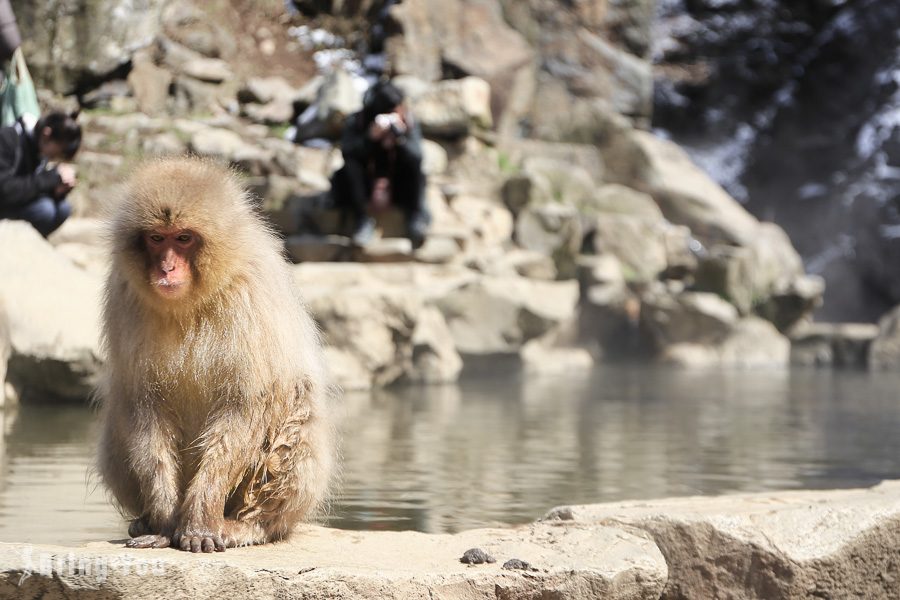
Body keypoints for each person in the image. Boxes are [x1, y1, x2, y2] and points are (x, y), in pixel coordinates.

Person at [331, 79, 430, 248]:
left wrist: (400, 140)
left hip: (398, 185)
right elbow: (347, 152)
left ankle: (416, 219)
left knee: (417, 170)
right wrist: (370, 138)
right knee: (349, 168)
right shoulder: (358, 120)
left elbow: (417, 157)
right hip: (364, 187)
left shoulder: (407, 121)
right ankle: (362, 220)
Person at [0, 110, 81, 237]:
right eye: (59, 152)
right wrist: (50, 178)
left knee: (63, 208)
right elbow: (5, 190)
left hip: (18, 202)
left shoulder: (40, 148)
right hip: (4, 204)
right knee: (45, 210)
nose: (56, 157)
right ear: (46, 134)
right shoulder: (8, 138)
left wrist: (56, 190)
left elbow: (34, 185)